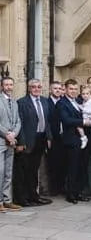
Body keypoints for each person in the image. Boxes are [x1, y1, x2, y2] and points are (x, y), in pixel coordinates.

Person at [13, 79, 52, 207]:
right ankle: (21, 198)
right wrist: (21, 142)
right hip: (27, 140)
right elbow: (20, 123)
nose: (37, 89)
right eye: (34, 87)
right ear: (29, 88)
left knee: (34, 170)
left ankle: (33, 196)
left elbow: (47, 121)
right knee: (23, 170)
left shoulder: (45, 101)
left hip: (40, 139)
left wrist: (49, 137)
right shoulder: (22, 102)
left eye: (39, 86)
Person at [57, 79, 91, 204]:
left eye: (75, 89)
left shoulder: (78, 101)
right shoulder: (62, 103)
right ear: (65, 89)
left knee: (82, 167)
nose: (73, 91)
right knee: (72, 167)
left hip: (82, 138)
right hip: (71, 139)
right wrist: (83, 122)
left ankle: (78, 191)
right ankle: (71, 194)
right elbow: (66, 120)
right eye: (71, 89)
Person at [0, 76, 22, 212]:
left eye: (11, 84)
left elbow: (18, 120)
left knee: (8, 172)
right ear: (2, 86)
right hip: (1, 141)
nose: (9, 87)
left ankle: (7, 200)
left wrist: (14, 134)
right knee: (0, 172)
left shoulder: (14, 102)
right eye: (6, 85)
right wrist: (6, 134)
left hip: (11, 142)